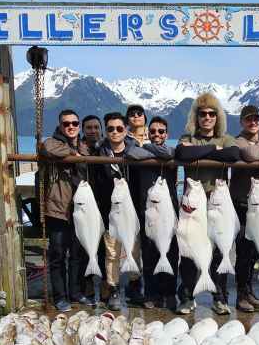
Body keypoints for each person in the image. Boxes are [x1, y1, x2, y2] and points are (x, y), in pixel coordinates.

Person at [174, 92, 241, 315]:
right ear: (196, 117)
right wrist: (214, 150)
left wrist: (203, 153)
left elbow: (233, 154)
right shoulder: (189, 137)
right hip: (193, 205)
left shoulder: (226, 138)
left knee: (220, 253)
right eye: (203, 114)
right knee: (189, 251)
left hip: (217, 203)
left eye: (212, 113)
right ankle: (186, 296)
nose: (208, 117)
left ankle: (220, 297)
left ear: (218, 116)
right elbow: (182, 152)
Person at [37, 109, 91, 312]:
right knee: (58, 254)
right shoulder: (53, 142)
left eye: (74, 123)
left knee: (77, 254)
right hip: (58, 209)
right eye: (66, 124)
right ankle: (60, 297)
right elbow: (47, 149)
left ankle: (76, 293)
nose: (71, 127)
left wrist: (78, 152)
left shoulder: (85, 146)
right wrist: (72, 153)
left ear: (79, 125)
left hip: (81, 209)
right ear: (60, 126)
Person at [124, 116, 180, 313]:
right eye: (153, 131)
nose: (157, 134)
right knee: (149, 255)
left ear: (167, 134)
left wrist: (148, 151)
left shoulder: (171, 152)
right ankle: (151, 293)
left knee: (171, 252)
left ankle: (169, 293)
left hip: (169, 212)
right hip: (147, 210)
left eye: (161, 131)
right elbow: (130, 151)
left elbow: (171, 152)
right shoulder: (142, 149)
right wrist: (159, 154)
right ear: (148, 133)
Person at [93, 112, 145, 311]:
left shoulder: (136, 152)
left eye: (119, 128)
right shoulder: (99, 153)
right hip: (110, 213)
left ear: (126, 130)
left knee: (134, 250)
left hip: (132, 214)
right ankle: (113, 288)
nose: (115, 132)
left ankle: (134, 287)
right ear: (106, 131)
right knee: (112, 253)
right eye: (110, 129)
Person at [230, 105, 259, 313]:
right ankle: (240, 295)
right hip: (242, 205)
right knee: (244, 252)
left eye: (256, 119)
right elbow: (251, 155)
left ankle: (249, 289)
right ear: (242, 122)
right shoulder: (237, 141)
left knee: (255, 252)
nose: (253, 122)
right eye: (248, 119)